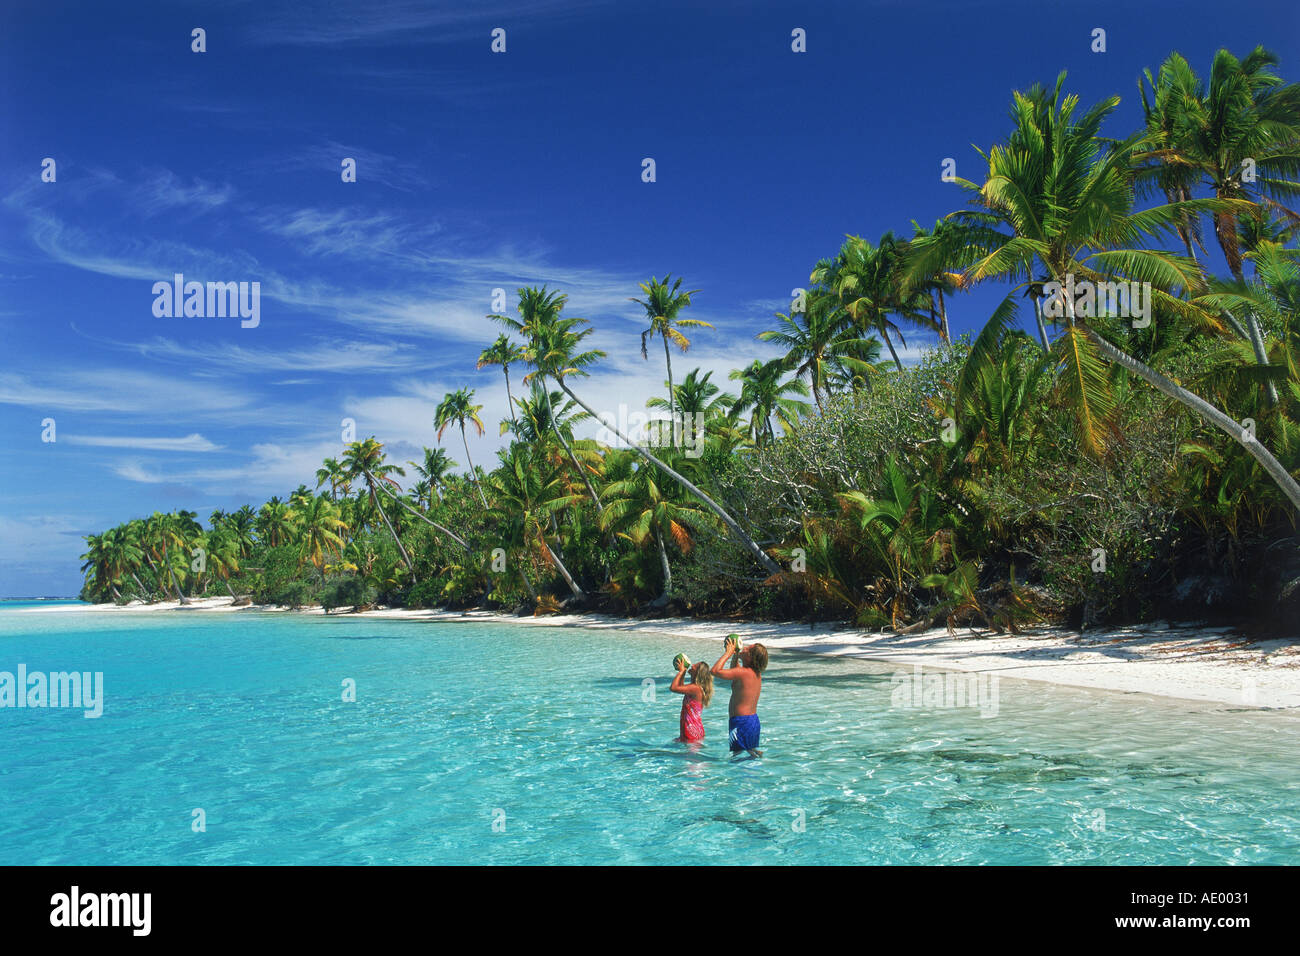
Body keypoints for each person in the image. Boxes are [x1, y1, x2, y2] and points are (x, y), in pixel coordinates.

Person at [711, 634, 767, 757]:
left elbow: (715, 671)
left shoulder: (743, 673)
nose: (744, 647)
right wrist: (736, 655)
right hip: (752, 721)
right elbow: (734, 671)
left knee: (738, 757)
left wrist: (728, 652)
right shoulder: (753, 673)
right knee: (751, 755)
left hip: (741, 722)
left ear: (750, 658)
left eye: (748, 649)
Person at [670, 659, 713, 743]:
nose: (692, 665)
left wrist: (681, 671)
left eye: (695, 666)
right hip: (690, 729)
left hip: (692, 731)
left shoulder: (695, 688)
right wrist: (683, 672)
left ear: (697, 673)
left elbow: (673, 688)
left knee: (690, 756)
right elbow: (680, 686)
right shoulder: (693, 687)